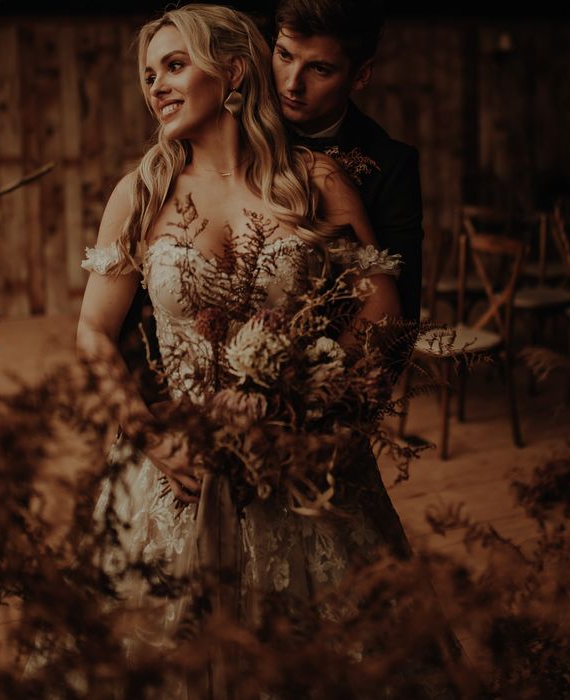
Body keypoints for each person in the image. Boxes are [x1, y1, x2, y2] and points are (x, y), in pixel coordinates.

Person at [74, 5, 463, 697]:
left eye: (173, 65)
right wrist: (149, 434)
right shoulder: (141, 192)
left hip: (299, 456)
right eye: (148, 74)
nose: (155, 86)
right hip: (173, 467)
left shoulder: (314, 178)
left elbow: (382, 311)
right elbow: (94, 333)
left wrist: (301, 399)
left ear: (229, 73)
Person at [272, 0, 425, 323]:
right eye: (284, 55)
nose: (291, 84)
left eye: (319, 68)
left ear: (361, 75)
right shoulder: (232, 131)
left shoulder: (391, 166)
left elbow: (399, 320)